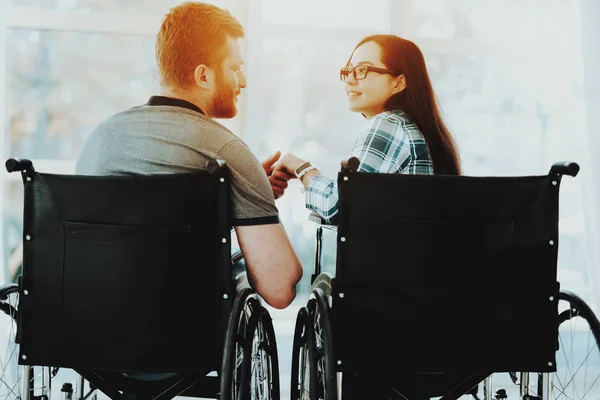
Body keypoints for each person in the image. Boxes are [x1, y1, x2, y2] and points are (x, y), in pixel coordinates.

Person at [75, 1, 302, 310]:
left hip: (90, 328)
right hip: (183, 336)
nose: (243, 82)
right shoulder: (227, 152)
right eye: (235, 68)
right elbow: (280, 287)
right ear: (203, 76)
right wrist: (243, 199)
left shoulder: (100, 139)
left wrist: (237, 197)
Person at [274, 34, 462, 224]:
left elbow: (340, 208)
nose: (349, 80)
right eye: (348, 71)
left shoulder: (389, 125)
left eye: (362, 70)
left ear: (399, 83)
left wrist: (303, 169)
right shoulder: (414, 128)